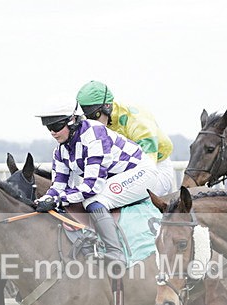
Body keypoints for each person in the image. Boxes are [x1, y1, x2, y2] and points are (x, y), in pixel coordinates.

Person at [34, 103, 167, 264]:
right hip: (115, 178)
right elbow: (58, 187)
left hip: (141, 173)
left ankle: (115, 252)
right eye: (48, 127)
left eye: (56, 126)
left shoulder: (94, 134)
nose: (53, 132)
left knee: (94, 200)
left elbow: (91, 187)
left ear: (73, 120)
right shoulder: (60, 151)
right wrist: (44, 200)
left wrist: (57, 200)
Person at [76, 81, 177, 192]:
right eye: (87, 117)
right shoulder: (94, 124)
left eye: (94, 115)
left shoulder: (136, 120)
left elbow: (148, 168)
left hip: (156, 166)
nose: (91, 123)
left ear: (107, 107)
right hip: (122, 169)